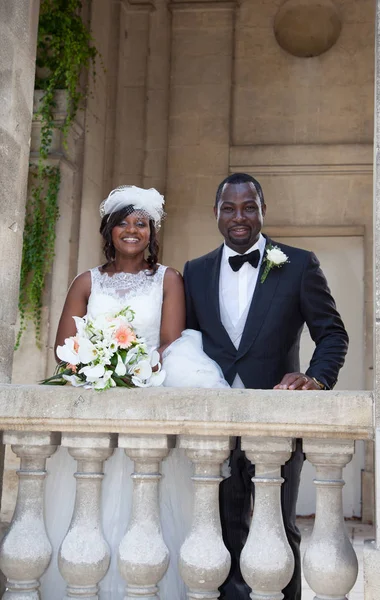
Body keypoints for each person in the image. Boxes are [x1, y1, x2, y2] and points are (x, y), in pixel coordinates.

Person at [40, 185, 228, 599]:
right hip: (96, 409)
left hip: (146, 401)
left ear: (151, 233)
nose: (131, 230)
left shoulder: (169, 279)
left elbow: (170, 345)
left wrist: (129, 370)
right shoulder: (86, 282)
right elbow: (65, 351)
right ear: (107, 231)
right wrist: (99, 366)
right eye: (122, 222)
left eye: (140, 223)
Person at [183, 172, 349, 600]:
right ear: (216, 213)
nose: (240, 217)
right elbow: (186, 343)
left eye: (249, 207)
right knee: (220, 529)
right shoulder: (195, 272)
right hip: (214, 423)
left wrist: (315, 379)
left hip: (278, 417)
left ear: (263, 211)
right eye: (229, 208)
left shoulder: (298, 263)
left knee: (279, 528)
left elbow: (332, 333)